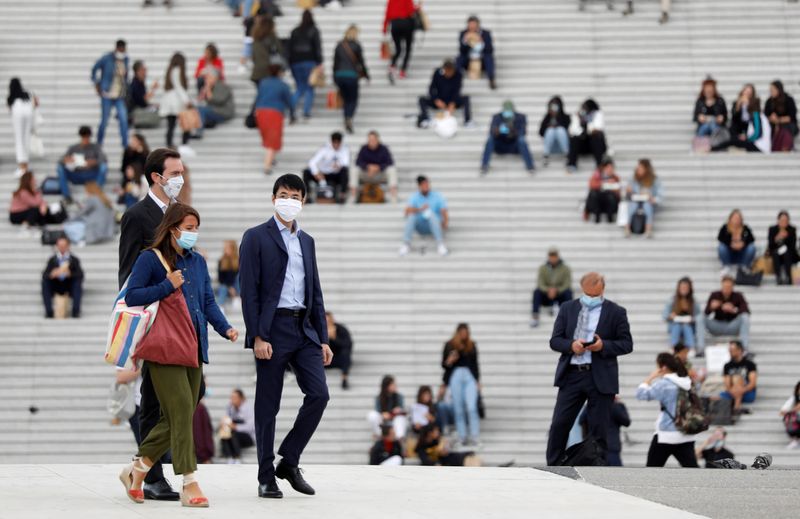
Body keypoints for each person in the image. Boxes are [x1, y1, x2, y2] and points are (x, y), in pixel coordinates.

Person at [118, 203, 238, 507]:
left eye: (196, 228)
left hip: (194, 345)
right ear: (172, 228)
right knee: (184, 406)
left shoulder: (197, 262)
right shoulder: (150, 259)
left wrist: (225, 328)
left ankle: (138, 468)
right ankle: (189, 481)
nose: (193, 233)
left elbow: (208, 301)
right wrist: (165, 285)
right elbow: (132, 296)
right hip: (164, 345)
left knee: (185, 406)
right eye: (188, 227)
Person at [239, 174, 333, 499]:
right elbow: (248, 292)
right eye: (283, 194)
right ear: (273, 198)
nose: (289, 200)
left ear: (303, 201)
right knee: (268, 406)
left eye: (295, 195)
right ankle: (267, 476)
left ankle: (289, 460)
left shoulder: (307, 241)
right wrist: (257, 336)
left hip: (303, 328)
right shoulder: (255, 237)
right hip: (272, 329)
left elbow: (315, 291)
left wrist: (322, 337)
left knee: (319, 395)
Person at [118, 148, 185, 501]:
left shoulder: (179, 215)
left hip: (180, 319)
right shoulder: (136, 216)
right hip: (153, 318)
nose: (180, 179)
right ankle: (152, 475)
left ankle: (141, 465)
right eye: (174, 173)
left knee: (190, 392)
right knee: (154, 398)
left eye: (181, 172)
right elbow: (128, 276)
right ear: (156, 177)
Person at [546, 272, 633, 466]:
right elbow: (555, 341)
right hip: (572, 374)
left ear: (603, 288)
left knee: (599, 428)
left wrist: (603, 346)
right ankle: (553, 464)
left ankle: (598, 467)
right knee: (560, 423)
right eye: (588, 295)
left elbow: (627, 344)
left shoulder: (616, 312)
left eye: (595, 295)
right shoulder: (568, 308)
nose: (591, 299)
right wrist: (571, 345)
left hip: (600, 376)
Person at [635, 352, 699, 468]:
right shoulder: (688, 383)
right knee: (693, 471)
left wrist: (650, 377)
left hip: (666, 434)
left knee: (651, 471)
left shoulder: (664, 384)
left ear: (663, 367)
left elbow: (641, 394)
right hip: (686, 432)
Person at [442, 323, 481, 447]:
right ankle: (462, 436)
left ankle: (474, 436)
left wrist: (477, 381)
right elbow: (444, 365)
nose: (464, 335)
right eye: (462, 333)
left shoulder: (472, 345)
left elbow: (475, 364)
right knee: (458, 408)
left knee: (471, 407)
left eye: (466, 332)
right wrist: (450, 360)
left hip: (469, 376)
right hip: (456, 375)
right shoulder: (450, 345)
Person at [254, 64, 295, 175]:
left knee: (268, 137)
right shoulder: (283, 85)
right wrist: (292, 115)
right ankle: (267, 166)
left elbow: (257, 97)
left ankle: (272, 158)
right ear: (279, 73)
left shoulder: (263, 83)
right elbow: (290, 101)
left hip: (260, 112)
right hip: (274, 113)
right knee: (273, 139)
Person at [91, 40, 129, 148]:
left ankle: (125, 145)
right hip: (107, 94)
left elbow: (126, 77)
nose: (122, 51)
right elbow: (94, 69)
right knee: (104, 120)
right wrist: (97, 83)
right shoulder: (107, 58)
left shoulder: (125, 59)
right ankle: (99, 143)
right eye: (121, 49)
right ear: (117, 48)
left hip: (119, 95)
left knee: (123, 119)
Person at [398, 175, 449, 257]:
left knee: (431, 214)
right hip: (420, 226)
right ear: (419, 186)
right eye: (424, 184)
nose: (426, 186)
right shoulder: (414, 196)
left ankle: (440, 244)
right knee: (412, 216)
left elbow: (444, 210)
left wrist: (445, 223)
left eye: (427, 184)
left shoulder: (437, 195)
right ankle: (406, 244)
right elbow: (406, 212)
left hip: (434, 225)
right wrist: (419, 209)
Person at [480, 100, 535, 175]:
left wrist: (512, 130)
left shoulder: (521, 117)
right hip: (501, 145)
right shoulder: (497, 117)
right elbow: (492, 132)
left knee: (521, 140)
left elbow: (523, 133)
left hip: (515, 146)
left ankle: (530, 166)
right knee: (490, 139)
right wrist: (499, 130)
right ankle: (484, 165)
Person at [56, 126, 109, 203]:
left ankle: (95, 193)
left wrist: (93, 162)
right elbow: (60, 160)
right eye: (84, 138)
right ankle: (67, 196)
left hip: (91, 174)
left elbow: (104, 159)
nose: (86, 140)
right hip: (76, 174)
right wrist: (67, 160)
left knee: (103, 167)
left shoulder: (95, 147)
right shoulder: (73, 148)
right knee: (60, 168)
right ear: (80, 137)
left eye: (87, 137)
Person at [333, 25, 370, 134]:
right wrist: (366, 75)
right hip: (352, 76)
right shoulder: (357, 46)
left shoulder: (339, 45)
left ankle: (346, 116)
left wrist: (334, 77)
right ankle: (349, 117)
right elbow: (361, 62)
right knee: (353, 99)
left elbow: (335, 63)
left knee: (345, 98)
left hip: (340, 75)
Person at [288, 9, 323, 119]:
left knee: (299, 88)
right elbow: (317, 48)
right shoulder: (314, 31)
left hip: (296, 62)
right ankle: (306, 111)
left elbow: (289, 48)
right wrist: (319, 62)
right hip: (309, 61)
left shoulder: (295, 31)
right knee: (309, 88)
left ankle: (291, 109)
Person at [417, 59, 472, 129]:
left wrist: (453, 102)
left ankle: (467, 121)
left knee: (466, 98)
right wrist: (436, 100)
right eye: (447, 71)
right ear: (444, 69)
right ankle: (425, 119)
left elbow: (458, 90)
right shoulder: (437, 73)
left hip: (452, 100)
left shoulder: (458, 74)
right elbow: (431, 88)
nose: (449, 74)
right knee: (421, 99)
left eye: (450, 71)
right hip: (440, 99)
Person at [579, 395, 630, 466]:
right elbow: (582, 420)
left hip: (610, 447)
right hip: (597, 447)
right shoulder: (593, 404)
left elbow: (626, 422)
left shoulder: (614, 405)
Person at [42, 236, 83, 319]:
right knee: (45, 283)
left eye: (64, 246)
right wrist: (52, 274)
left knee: (77, 283)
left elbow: (80, 275)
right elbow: (45, 275)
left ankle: (76, 311)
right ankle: (49, 311)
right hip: (56, 284)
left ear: (68, 246)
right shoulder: (52, 260)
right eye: (60, 246)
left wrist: (70, 274)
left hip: (69, 285)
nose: (62, 248)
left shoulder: (74, 260)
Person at [704, 275, 750, 349]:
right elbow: (706, 313)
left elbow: (746, 311)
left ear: (732, 287)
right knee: (700, 317)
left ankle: (744, 348)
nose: (726, 289)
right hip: (717, 325)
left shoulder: (738, 296)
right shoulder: (714, 295)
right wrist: (711, 308)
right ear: (721, 286)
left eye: (729, 287)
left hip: (732, 326)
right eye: (724, 287)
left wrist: (734, 310)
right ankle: (700, 347)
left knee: (745, 317)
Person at [531, 247, 573, 328]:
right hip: (547, 295)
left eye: (554, 256)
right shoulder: (543, 268)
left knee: (568, 292)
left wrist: (557, 290)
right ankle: (535, 316)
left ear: (558, 256)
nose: (553, 258)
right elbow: (540, 283)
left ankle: (569, 317)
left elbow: (567, 283)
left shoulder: (565, 268)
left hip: (560, 294)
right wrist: (548, 290)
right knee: (537, 292)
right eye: (551, 256)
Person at [303, 132, 350, 204]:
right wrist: (316, 173)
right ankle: (307, 196)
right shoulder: (324, 149)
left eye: (338, 143)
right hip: (322, 175)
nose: (336, 145)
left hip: (335, 175)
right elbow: (312, 162)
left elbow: (346, 163)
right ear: (331, 141)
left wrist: (339, 164)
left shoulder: (344, 149)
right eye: (335, 142)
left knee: (344, 171)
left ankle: (342, 195)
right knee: (306, 172)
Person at [159, 53, 193, 152]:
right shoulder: (177, 71)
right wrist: (187, 100)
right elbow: (179, 87)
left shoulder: (170, 71)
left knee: (171, 125)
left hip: (169, 101)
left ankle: (169, 144)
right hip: (176, 102)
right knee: (186, 124)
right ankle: (184, 144)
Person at [353, 130, 397, 203]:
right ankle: (353, 196)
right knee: (354, 170)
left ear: (378, 139)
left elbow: (390, 162)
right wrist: (368, 167)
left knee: (392, 170)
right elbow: (358, 162)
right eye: (370, 140)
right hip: (367, 174)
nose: (372, 141)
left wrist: (378, 167)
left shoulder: (384, 149)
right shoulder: (364, 148)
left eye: (373, 139)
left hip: (380, 175)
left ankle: (393, 196)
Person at [663, 277, 704, 354]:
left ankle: (691, 347)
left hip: (689, 326)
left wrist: (692, 319)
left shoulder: (693, 301)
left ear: (689, 289)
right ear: (678, 288)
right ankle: (673, 346)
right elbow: (664, 315)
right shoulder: (672, 300)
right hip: (675, 325)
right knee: (677, 325)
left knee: (686, 326)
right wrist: (670, 316)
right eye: (682, 287)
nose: (684, 289)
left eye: (686, 287)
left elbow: (698, 316)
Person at [624, 159, 662, 238]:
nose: (639, 170)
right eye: (638, 168)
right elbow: (626, 194)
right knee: (632, 205)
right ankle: (627, 228)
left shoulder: (654, 180)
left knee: (647, 206)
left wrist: (652, 198)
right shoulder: (632, 178)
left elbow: (660, 196)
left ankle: (648, 229)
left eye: (641, 168)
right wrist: (629, 191)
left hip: (648, 201)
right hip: (635, 200)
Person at [456, 15, 496, 89]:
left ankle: (491, 79)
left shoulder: (485, 34)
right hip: (469, 60)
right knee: (459, 58)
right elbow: (461, 50)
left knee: (489, 58)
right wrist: (465, 41)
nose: (472, 26)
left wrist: (481, 42)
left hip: (481, 60)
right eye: (470, 24)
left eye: (474, 24)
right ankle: (456, 80)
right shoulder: (464, 33)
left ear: (478, 24)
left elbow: (490, 50)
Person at [7, 78, 36, 175]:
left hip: (18, 115)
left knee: (19, 140)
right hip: (28, 114)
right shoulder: (27, 94)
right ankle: (25, 166)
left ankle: (21, 166)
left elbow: (10, 109)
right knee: (26, 139)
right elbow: (35, 104)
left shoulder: (12, 97)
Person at [383, 0, 418, 81]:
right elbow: (411, 11)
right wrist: (417, 8)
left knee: (398, 48)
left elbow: (387, 14)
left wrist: (384, 28)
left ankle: (392, 65)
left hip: (395, 25)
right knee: (408, 49)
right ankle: (402, 70)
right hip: (406, 24)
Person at [720, 340, 757, 415]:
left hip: (747, 393)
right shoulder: (727, 366)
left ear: (739, 350)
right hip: (731, 393)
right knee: (718, 396)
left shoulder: (750, 364)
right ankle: (737, 408)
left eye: (732, 350)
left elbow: (752, 383)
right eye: (729, 350)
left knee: (737, 378)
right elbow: (727, 385)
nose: (730, 352)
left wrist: (740, 390)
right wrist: (734, 391)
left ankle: (736, 407)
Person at [220, 389, 256, 463]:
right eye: (231, 398)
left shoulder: (249, 409)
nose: (232, 400)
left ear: (241, 398)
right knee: (224, 433)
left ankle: (237, 456)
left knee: (234, 434)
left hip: (248, 437)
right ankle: (229, 456)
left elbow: (250, 427)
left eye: (234, 398)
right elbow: (227, 419)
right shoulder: (230, 407)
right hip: (235, 433)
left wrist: (235, 427)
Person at [367, 375, 408, 440]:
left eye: (394, 384)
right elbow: (378, 412)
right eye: (392, 384)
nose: (395, 386)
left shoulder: (399, 397)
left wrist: (397, 410)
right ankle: (380, 435)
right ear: (386, 386)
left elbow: (402, 410)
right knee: (372, 414)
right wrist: (383, 414)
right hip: (384, 422)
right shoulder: (379, 398)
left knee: (400, 418)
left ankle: (398, 439)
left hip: (395, 421)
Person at [585, 156, 621, 224]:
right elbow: (591, 185)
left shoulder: (615, 178)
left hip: (609, 202)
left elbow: (618, 192)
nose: (610, 170)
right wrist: (604, 184)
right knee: (593, 194)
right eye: (608, 168)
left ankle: (610, 216)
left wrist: (613, 186)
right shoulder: (596, 176)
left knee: (611, 196)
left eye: (611, 168)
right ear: (603, 168)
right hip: (598, 201)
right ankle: (596, 215)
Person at [764, 80, 798, 151]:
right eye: (770, 90)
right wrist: (771, 118)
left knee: (785, 129)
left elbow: (791, 117)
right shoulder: (769, 101)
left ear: (779, 89)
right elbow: (765, 117)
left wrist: (778, 120)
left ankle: (785, 148)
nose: (771, 91)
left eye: (773, 89)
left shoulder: (788, 100)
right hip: (773, 126)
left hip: (788, 125)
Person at [119, 133, 150, 208]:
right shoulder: (128, 152)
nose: (132, 142)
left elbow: (146, 166)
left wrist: (140, 153)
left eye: (134, 141)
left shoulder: (145, 153)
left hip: (140, 178)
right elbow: (124, 167)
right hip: (129, 179)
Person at [251, 15, 283, 85]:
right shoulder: (272, 39)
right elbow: (279, 52)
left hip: (257, 72)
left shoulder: (256, 39)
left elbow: (253, 57)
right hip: (270, 71)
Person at [768, 211, 798, 285]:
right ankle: (778, 277)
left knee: (786, 253)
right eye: (782, 220)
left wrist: (786, 238)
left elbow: (793, 247)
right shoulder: (773, 229)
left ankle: (788, 277)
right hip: (776, 254)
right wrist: (777, 238)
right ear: (778, 220)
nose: (784, 222)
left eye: (786, 220)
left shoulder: (792, 230)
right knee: (775, 253)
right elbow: (770, 246)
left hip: (789, 254)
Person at [539, 96, 571, 166]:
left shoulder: (566, 117)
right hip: (551, 147)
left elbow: (570, 131)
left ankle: (567, 155)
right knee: (550, 130)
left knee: (560, 130)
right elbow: (541, 133)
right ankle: (545, 155)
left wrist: (558, 119)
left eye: (556, 105)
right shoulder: (547, 117)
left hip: (562, 146)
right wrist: (548, 123)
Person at [325, 312, 353, 389]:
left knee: (345, 354)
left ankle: (344, 378)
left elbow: (347, 345)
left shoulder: (341, 329)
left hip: (337, 357)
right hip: (324, 358)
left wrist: (334, 338)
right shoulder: (318, 330)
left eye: (329, 321)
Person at [128, 61, 160, 127]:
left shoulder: (140, 83)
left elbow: (143, 101)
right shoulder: (135, 84)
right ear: (137, 71)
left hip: (139, 109)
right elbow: (143, 99)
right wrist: (153, 89)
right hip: (135, 111)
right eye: (143, 70)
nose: (145, 72)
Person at [216, 240, 240, 307]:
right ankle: (220, 306)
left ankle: (237, 297)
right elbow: (221, 279)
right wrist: (230, 287)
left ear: (233, 249)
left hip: (236, 286)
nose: (226, 250)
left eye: (228, 248)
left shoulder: (239, 260)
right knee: (222, 287)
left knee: (238, 277)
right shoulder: (221, 260)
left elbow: (236, 276)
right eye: (225, 248)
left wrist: (233, 288)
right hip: (226, 287)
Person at [779, 381, 800, 449]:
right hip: (797, 420)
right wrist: (793, 410)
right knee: (788, 417)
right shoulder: (794, 399)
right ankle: (795, 439)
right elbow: (782, 411)